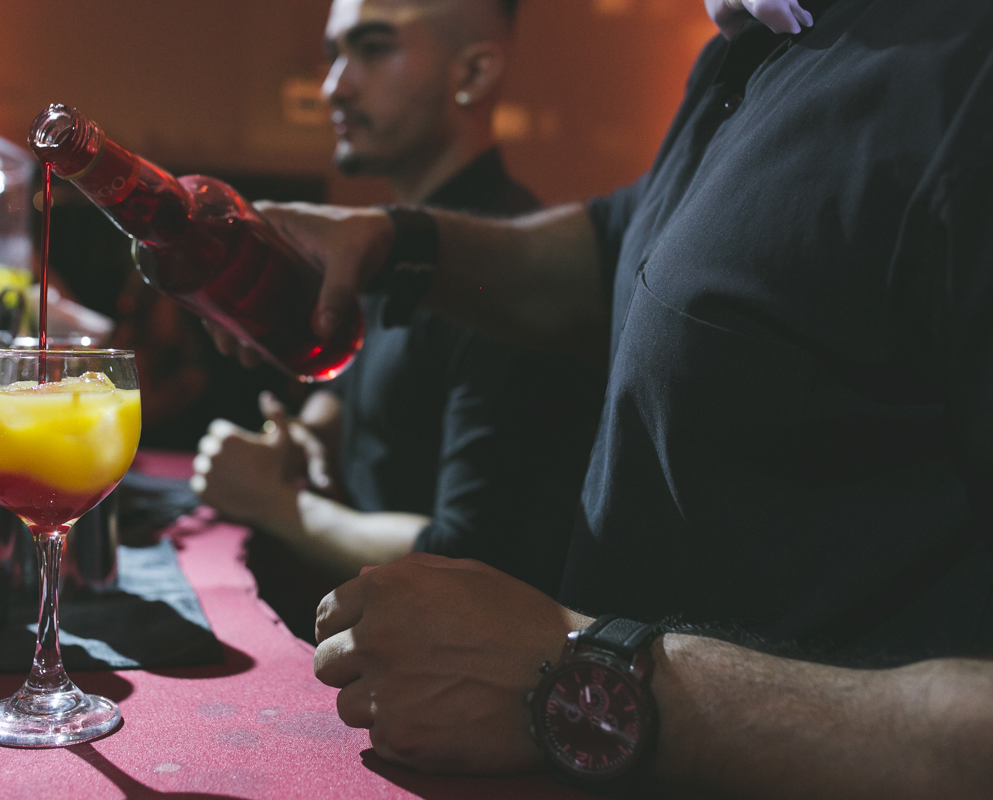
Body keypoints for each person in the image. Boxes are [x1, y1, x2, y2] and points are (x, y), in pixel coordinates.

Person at [204, 0, 993, 794]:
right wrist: (393, 244)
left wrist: (593, 679)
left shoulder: (966, 71)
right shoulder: (750, 47)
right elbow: (625, 254)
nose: (338, 83)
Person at [193, 0, 594, 599]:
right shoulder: (386, 244)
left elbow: (473, 559)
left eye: (373, 48)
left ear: (473, 73)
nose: (333, 87)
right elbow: (371, 397)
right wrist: (312, 435)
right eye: (333, 55)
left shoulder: (508, 279)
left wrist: (272, 502)